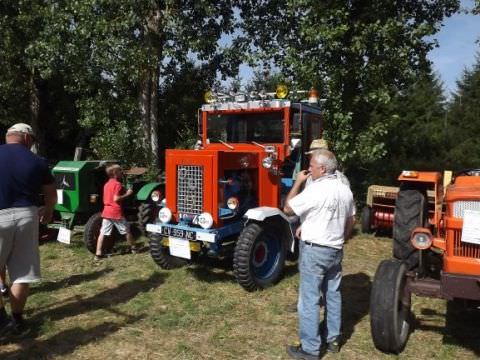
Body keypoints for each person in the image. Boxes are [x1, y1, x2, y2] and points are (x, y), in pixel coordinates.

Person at [284, 149, 355, 359]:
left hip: (315, 250)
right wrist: (341, 238)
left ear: (322, 169)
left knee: (309, 300)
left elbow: (288, 208)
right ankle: (333, 339)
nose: (309, 169)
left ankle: (310, 349)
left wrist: (297, 182)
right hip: (335, 249)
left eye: (312, 166)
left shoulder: (315, 189)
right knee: (333, 294)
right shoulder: (345, 190)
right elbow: (350, 220)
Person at [0, 123, 56, 337]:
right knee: (22, 273)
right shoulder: (37, 161)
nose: (32, 144)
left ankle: (2, 320)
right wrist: (49, 210)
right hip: (27, 215)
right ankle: (16, 320)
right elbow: (51, 192)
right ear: (24, 137)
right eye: (31, 140)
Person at [95, 164, 137, 261]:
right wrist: (128, 193)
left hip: (106, 211)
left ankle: (98, 254)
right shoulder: (117, 184)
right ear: (114, 173)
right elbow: (116, 198)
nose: (121, 172)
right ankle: (134, 248)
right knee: (126, 231)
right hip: (115, 212)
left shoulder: (106, 184)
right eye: (119, 171)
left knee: (102, 233)